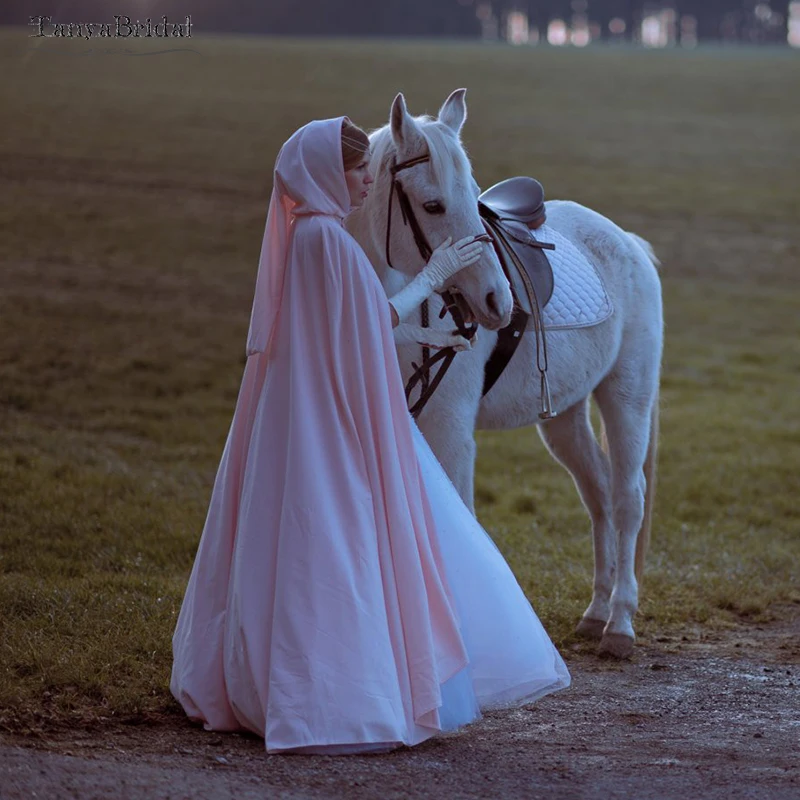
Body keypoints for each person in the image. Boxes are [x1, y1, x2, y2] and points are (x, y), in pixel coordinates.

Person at [170, 116, 569, 755]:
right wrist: (437, 274)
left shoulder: (303, 236)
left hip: (307, 403)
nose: (364, 182)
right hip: (333, 415)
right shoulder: (326, 240)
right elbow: (374, 314)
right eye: (356, 172)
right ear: (328, 173)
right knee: (353, 534)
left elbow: (342, 330)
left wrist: (424, 335)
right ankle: (353, 688)